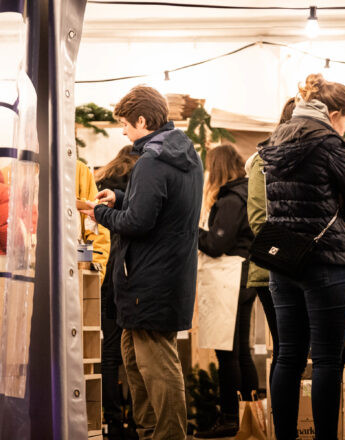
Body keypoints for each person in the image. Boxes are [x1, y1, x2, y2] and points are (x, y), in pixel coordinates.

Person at [81, 85, 204, 440]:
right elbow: (158, 208)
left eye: (125, 124)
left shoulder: (152, 160)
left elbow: (138, 223)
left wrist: (99, 212)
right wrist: (119, 197)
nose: (123, 131)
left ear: (142, 119)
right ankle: (150, 432)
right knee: (135, 360)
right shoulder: (182, 154)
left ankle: (166, 436)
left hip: (149, 279)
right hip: (165, 275)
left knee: (156, 366)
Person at [259, 73, 345, 440]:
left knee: (288, 356)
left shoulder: (277, 139)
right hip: (325, 260)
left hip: (284, 260)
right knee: (326, 359)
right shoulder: (328, 143)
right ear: (334, 113)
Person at [195, 144, 259, 439]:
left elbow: (216, 245)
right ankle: (252, 418)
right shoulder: (245, 194)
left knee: (228, 354)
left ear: (217, 168)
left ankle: (231, 419)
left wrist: (191, 231)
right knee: (241, 352)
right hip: (243, 277)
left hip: (230, 279)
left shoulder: (232, 200)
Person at [244, 97, 296, 389]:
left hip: (295, 271)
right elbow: (258, 220)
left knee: (299, 351)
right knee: (287, 351)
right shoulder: (262, 162)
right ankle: (284, 426)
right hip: (273, 271)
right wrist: (298, 254)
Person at [95, 145, 139, 440]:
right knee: (138, 352)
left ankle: (112, 422)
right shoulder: (140, 182)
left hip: (107, 271)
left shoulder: (100, 182)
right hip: (133, 270)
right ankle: (138, 421)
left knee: (109, 352)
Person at [76, 160, 110, 282]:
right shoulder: (23, 171)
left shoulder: (79, 171)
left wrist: (95, 273)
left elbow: (96, 229)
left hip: (76, 270)